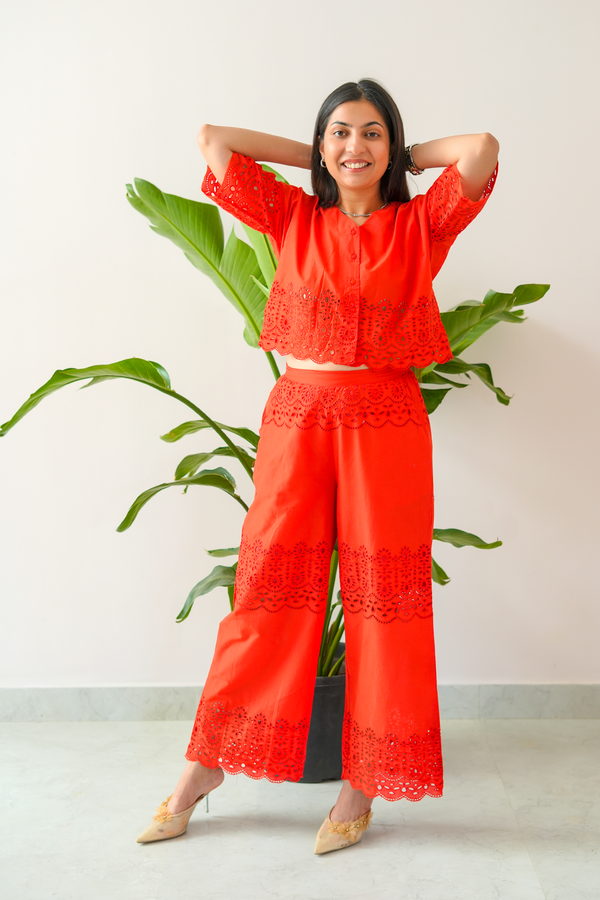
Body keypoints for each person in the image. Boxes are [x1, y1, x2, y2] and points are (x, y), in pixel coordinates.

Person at [137, 79, 499, 854]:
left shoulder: (421, 224)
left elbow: (478, 151)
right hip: (299, 417)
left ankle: (359, 788)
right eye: (340, 133)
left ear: (392, 145)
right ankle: (204, 769)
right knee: (267, 585)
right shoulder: (292, 214)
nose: (354, 147)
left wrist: (393, 156)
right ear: (320, 144)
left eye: (371, 134)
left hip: (386, 422)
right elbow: (213, 139)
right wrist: (326, 157)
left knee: (382, 598)